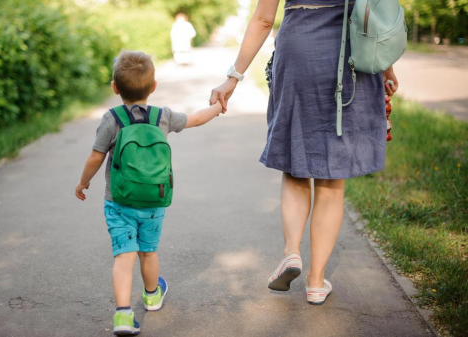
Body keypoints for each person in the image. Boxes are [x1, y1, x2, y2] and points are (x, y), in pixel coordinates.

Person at [209, 0, 399, 305]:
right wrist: (386, 67)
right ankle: (315, 282)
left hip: (298, 51)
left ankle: (291, 252)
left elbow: (263, 20)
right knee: (332, 177)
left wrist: (233, 77)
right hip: (349, 54)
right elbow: (375, 12)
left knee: (297, 165)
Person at [75, 50, 222, 335]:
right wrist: (217, 107)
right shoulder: (162, 116)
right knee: (148, 252)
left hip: (118, 202)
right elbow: (196, 119)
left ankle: (123, 316)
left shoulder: (112, 118)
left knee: (124, 256)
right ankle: (152, 295)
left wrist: (83, 183)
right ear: (153, 87)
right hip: (154, 200)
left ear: (115, 87)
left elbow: (95, 157)